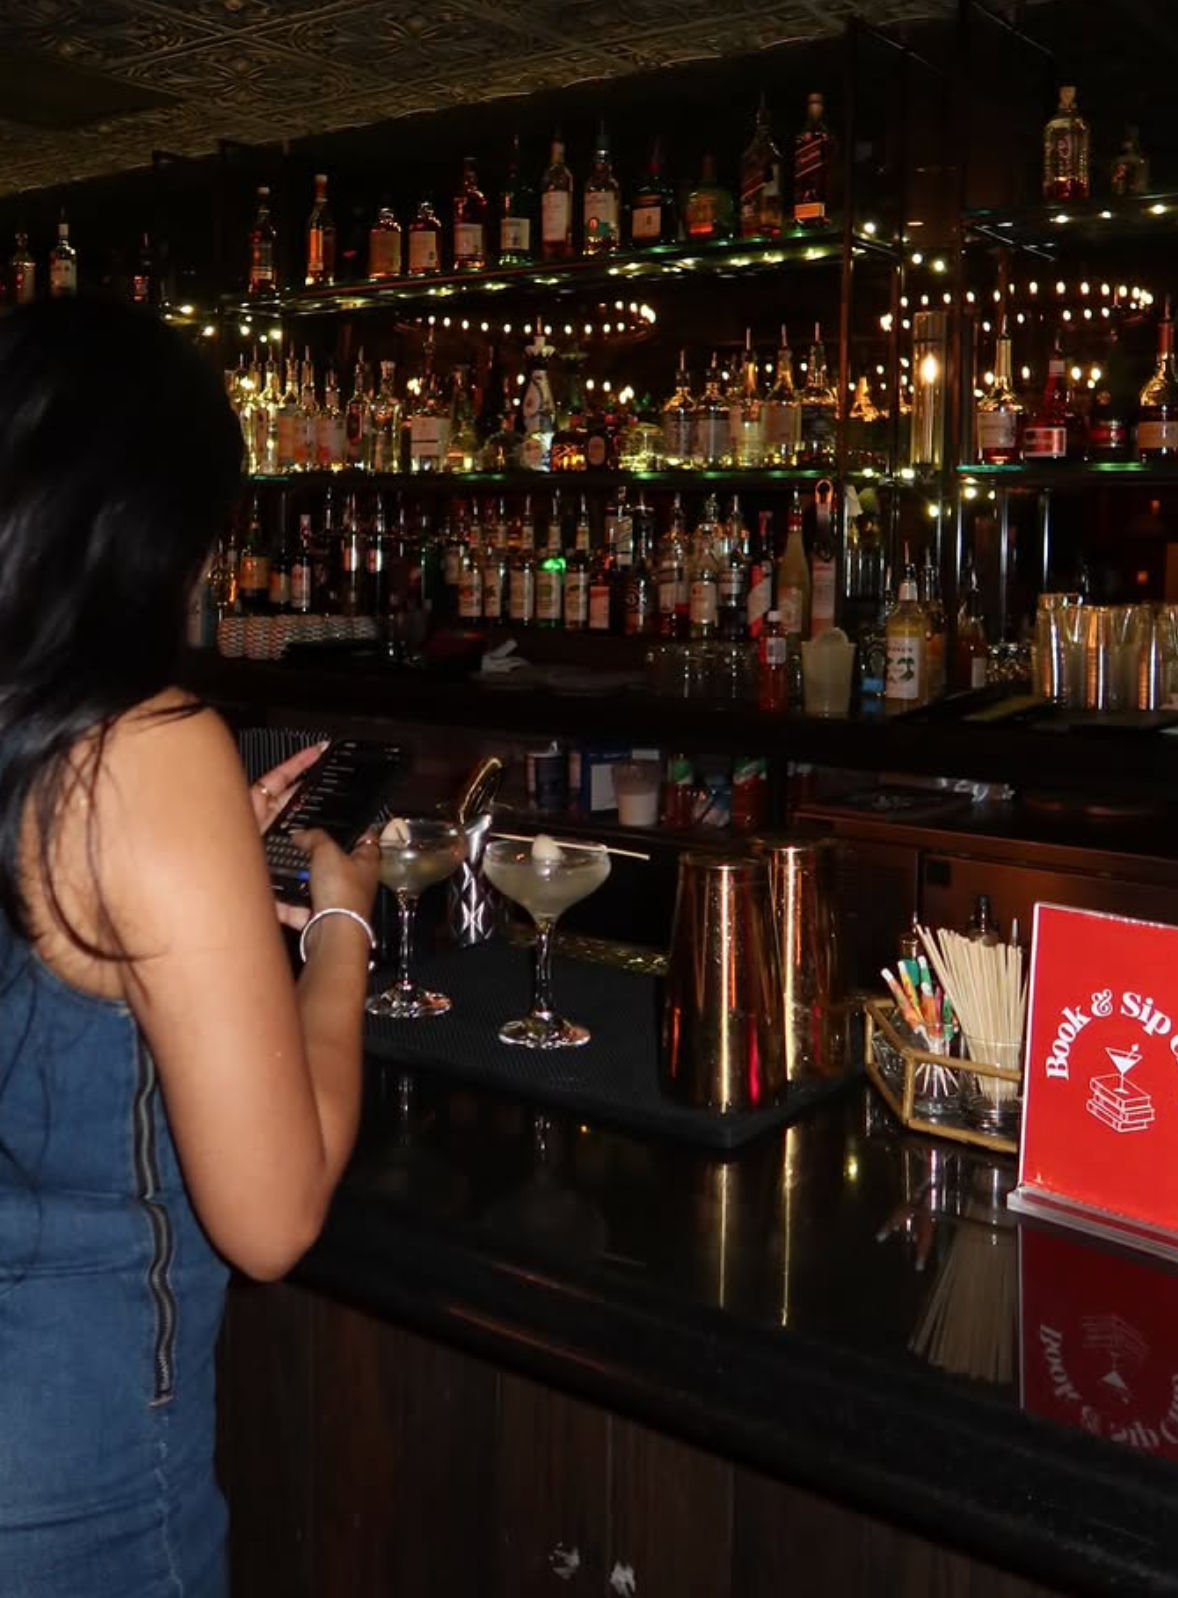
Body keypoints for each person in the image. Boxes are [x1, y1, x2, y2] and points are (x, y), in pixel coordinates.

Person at [0, 298, 379, 1596]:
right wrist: (340, 925)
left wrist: (201, 864)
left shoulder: (55, 751)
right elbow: (273, 1215)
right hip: (73, 1494)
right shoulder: (151, 753)